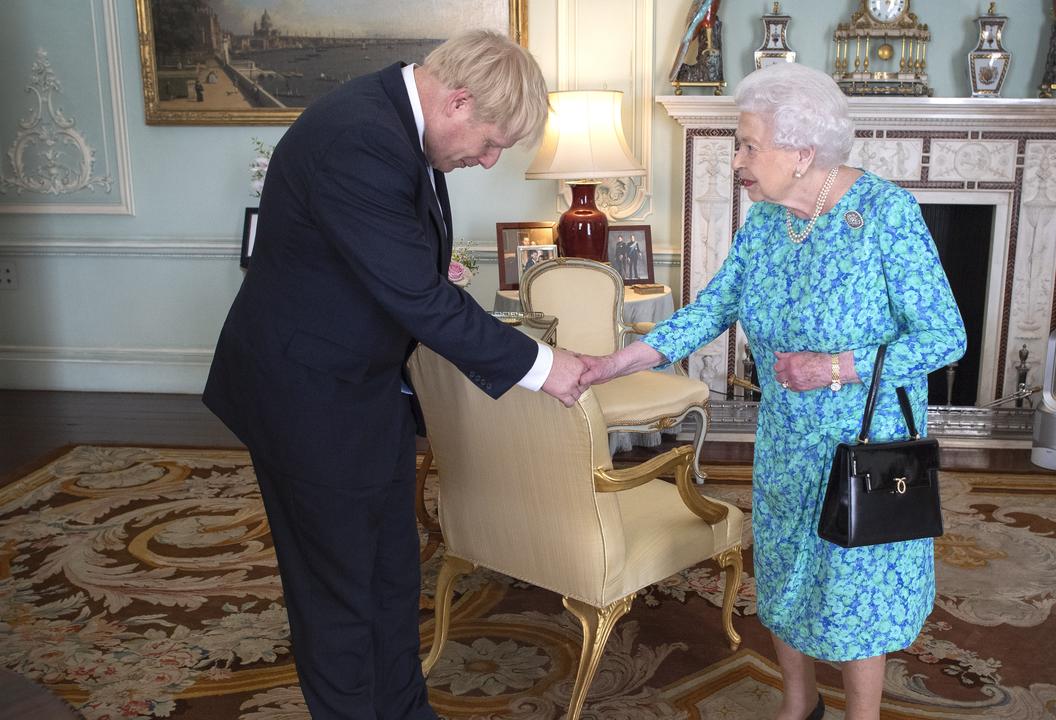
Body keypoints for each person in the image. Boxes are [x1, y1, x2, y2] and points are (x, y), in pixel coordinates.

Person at [203, 30, 587, 720]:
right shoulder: (360, 137)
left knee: (388, 573)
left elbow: (405, 271)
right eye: (492, 142)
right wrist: (544, 366)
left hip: (363, 386)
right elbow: (419, 295)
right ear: (458, 101)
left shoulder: (396, 124)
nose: (488, 159)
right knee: (338, 596)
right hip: (306, 397)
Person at [580, 62, 965, 720]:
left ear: (802, 151)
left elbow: (945, 336)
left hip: (863, 443)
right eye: (740, 144)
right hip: (787, 439)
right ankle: (800, 702)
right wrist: (613, 363)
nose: (738, 161)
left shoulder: (884, 214)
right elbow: (711, 310)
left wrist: (835, 366)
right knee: (786, 572)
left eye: (750, 145)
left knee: (853, 586)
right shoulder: (766, 224)